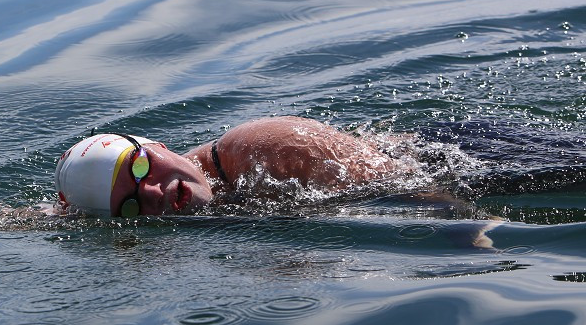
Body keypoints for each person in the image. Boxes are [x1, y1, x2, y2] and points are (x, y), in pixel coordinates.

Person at [54, 116, 406, 217]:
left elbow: (412, 185)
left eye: (140, 168)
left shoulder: (264, 150)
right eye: (131, 205)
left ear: (157, 145)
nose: (151, 192)